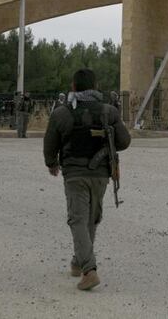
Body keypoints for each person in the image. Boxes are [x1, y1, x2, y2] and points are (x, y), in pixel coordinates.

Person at [43, 68, 131, 291]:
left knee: (78, 220)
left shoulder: (61, 113)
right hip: (101, 174)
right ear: (96, 86)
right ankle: (77, 261)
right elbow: (124, 142)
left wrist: (51, 163)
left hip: (74, 175)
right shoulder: (108, 112)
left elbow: (50, 142)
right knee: (90, 219)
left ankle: (89, 270)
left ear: (73, 87)